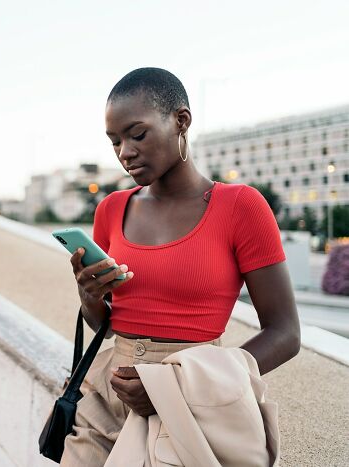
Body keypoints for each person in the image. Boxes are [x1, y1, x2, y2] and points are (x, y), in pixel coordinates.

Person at [59, 68, 300, 466]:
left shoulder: (241, 207)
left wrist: (174, 385)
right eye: (115, 141)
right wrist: (89, 295)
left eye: (137, 134)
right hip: (106, 396)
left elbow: (286, 333)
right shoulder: (112, 209)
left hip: (191, 400)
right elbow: (103, 322)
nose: (125, 152)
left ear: (181, 121)